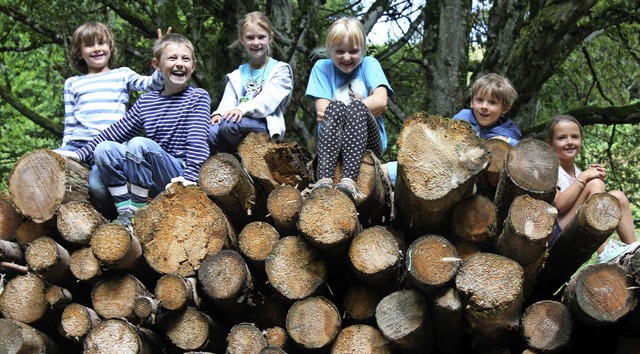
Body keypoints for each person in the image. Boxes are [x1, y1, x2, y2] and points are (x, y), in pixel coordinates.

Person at [56, 33, 211, 228]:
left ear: (193, 66)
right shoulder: (146, 102)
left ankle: (135, 211)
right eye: (172, 58)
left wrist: (190, 177)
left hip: (180, 174)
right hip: (152, 179)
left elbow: (197, 142)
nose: (179, 63)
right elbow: (115, 131)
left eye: (185, 59)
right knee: (104, 148)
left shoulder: (197, 97)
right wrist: (80, 154)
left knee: (138, 144)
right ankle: (125, 214)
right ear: (157, 65)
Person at [56, 21, 165, 217]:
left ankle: (116, 218)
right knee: (45, 159)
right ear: (80, 52)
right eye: (90, 45)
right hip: (77, 144)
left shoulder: (121, 75)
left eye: (102, 43)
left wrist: (162, 57)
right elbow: (70, 123)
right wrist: (64, 149)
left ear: (110, 47)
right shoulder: (73, 83)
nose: (97, 49)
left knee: (96, 185)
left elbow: (151, 85)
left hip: (108, 146)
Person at [305, 17, 393, 201]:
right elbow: (323, 110)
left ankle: (349, 182)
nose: (346, 57)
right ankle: (324, 179)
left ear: (363, 48)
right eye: (340, 52)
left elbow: (381, 100)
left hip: (368, 142)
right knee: (338, 107)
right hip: (332, 142)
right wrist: (362, 108)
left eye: (353, 51)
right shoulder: (322, 68)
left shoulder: (370, 64)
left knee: (353, 107)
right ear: (330, 49)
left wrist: (355, 110)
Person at [546, 114, 638, 261]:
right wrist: (587, 178)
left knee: (618, 197)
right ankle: (603, 250)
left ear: (581, 140)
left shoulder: (577, 171)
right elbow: (559, 205)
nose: (569, 142)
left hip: (579, 225)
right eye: (562, 138)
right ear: (550, 143)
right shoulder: (550, 169)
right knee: (595, 184)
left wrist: (590, 175)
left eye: (575, 137)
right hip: (556, 235)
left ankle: (634, 252)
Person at [208, 11, 293, 154]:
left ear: (270, 38)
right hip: (235, 121)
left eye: (261, 37)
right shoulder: (237, 74)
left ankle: (240, 155)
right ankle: (226, 161)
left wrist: (242, 109)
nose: (256, 42)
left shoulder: (280, 70)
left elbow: (267, 101)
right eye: (250, 38)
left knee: (229, 125)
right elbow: (228, 102)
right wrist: (218, 114)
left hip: (264, 124)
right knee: (210, 130)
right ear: (241, 39)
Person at [453, 73, 521, 147]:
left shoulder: (507, 134)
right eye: (480, 100)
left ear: (505, 108)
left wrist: (508, 141)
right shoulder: (461, 117)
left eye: (492, 102)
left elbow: (521, 151)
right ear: (472, 102)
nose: (484, 106)